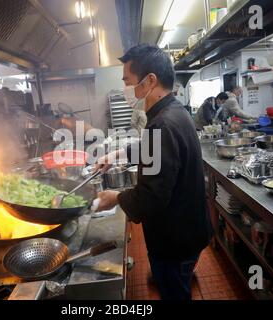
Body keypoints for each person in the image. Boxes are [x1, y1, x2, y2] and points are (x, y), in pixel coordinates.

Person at [94, 44, 213, 300]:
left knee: (174, 294)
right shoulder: (174, 113)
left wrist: (114, 198)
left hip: (175, 240)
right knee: (174, 284)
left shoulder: (162, 124)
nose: (126, 89)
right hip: (188, 230)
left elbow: (151, 197)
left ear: (149, 81)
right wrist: (116, 154)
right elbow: (153, 150)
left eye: (127, 81)